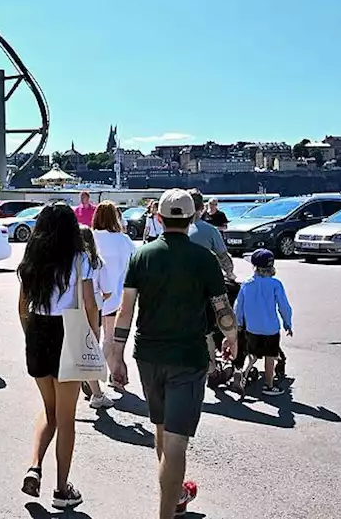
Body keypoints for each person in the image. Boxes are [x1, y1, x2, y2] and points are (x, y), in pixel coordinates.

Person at [109, 189, 239, 519]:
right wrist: (232, 336)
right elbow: (221, 307)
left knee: (161, 429)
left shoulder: (143, 256)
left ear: (159, 218)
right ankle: (167, 513)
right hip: (188, 357)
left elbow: (125, 311)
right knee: (177, 442)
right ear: (194, 217)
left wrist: (116, 355)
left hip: (148, 356)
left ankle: (175, 495)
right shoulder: (203, 259)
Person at [17, 203, 98, 510]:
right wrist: (92, 339)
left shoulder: (31, 260)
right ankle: (62, 490)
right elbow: (89, 304)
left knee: (48, 410)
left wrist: (31, 336)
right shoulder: (80, 259)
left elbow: (22, 307)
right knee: (66, 418)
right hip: (69, 330)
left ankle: (34, 466)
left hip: (38, 330)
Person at [90, 201, 136, 392]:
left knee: (93, 339)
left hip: (90, 296)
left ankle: (114, 376)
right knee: (110, 340)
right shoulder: (123, 240)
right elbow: (133, 265)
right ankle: (92, 374)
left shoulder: (90, 238)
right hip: (115, 297)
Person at [234, 249, 294, 396]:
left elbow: (238, 306)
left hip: (252, 328)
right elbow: (284, 306)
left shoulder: (247, 284)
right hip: (271, 328)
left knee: (252, 354)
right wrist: (287, 323)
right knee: (270, 357)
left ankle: (243, 373)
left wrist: (239, 323)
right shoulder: (275, 284)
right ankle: (269, 385)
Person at [78, 225, 115, 409]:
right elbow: (108, 291)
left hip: (74, 308)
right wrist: (99, 297)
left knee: (80, 349)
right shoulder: (98, 263)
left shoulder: (72, 261)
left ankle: (91, 386)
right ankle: (96, 393)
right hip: (94, 309)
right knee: (90, 351)